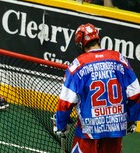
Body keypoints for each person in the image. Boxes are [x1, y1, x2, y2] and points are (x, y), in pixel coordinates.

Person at [54, 23, 140, 153]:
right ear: (98, 39)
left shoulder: (78, 64)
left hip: (88, 132)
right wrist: (131, 119)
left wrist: (60, 125)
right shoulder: (119, 59)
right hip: (115, 129)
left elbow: (66, 101)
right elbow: (135, 92)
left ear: (80, 44)